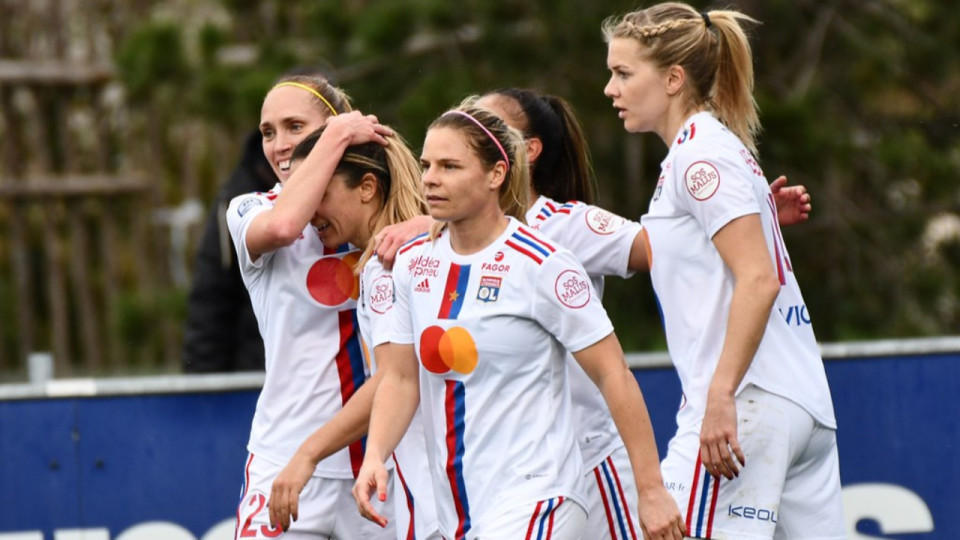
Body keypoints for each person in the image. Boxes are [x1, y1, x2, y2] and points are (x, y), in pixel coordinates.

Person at [353, 104, 686, 540]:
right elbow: (399, 379)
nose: (430, 178)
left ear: (496, 175)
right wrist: (376, 452)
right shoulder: (413, 266)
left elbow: (613, 374)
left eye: (450, 166)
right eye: (427, 165)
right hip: (462, 510)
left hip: (541, 497)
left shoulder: (543, 264)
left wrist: (650, 489)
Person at [602, 4, 844, 539]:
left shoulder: (699, 157)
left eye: (623, 73)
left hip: (748, 402)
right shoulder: (715, 147)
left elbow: (760, 279)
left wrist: (721, 395)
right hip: (801, 404)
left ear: (672, 78)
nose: (609, 88)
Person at [226, 73, 397, 539]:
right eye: (267, 132)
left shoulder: (389, 218)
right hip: (286, 457)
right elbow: (283, 227)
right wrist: (339, 132)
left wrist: (420, 226)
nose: (279, 145)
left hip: (379, 462)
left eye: (295, 127)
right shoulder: (251, 209)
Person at [267, 127, 440, 539]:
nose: (309, 212)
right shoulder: (424, 247)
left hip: (436, 492)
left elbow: (393, 377)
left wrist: (307, 454)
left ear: (366, 188)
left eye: (320, 195)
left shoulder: (387, 265)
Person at [182, 129, 274, 373]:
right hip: (256, 377)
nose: (284, 143)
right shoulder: (237, 201)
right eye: (271, 131)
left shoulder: (357, 187)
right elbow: (211, 300)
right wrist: (206, 391)